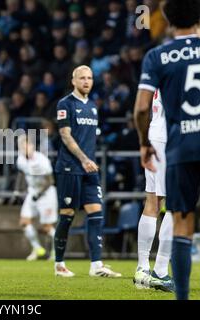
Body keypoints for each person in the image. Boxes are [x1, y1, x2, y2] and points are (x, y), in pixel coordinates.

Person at [134, 0, 200, 300]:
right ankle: (156, 270)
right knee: (176, 207)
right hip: (191, 135)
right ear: (199, 25)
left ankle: (146, 270)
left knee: (156, 203)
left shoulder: (161, 57)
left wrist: (143, 143)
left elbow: (142, 106)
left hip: (162, 134)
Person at [54, 65, 122, 278]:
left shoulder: (93, 106)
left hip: (88, 169)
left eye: (90, 78)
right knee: (67, 215)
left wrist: (88, 161)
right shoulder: (65, 104)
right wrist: (83, 159)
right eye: (82, 78)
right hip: (70, 167)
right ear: (73, 81)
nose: (86, 81)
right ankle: (59, 264)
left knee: (96, 213)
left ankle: (96, 265)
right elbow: (65, 135)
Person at [16, 134, 57, 261]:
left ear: (32, 145)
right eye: (21, 146)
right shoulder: (20, 160)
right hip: (32, 192)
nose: (24, 148)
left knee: (47, 227)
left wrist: (39, 194)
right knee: (24, 222)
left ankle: (56, 252)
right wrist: (18, 189)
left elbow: (50, 180)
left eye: (26, 145)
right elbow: (23, 174)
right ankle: (37, 248)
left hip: (46, 194)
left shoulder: (42, 160)